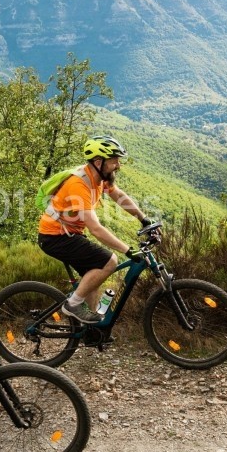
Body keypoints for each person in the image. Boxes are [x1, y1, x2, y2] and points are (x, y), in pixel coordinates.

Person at [37, 135, 157, 323]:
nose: (118, 166)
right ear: (98, 162)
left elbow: (118, 195)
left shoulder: (100, 178)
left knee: (93, 273)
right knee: (110, 261)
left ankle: (91, 328)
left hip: (70, 234)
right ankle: (73, 305)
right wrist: (127, 250)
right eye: (114, 161)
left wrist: (144, 219)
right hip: (55, 237)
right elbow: (96, 229)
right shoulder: (79, 184)